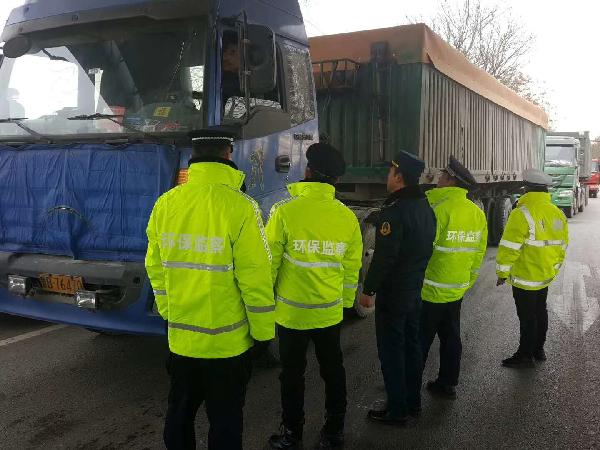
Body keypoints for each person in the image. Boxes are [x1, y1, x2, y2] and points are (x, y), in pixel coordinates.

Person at [145, 129, 275, 450]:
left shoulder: (166, 204)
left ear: (194, 157)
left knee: (179, 414)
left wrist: (169, 314)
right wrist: (263, 334)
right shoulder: (241, 207)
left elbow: (155, 267)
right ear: (228, 154)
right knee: (225, 421)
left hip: (182, 340)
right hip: (227, 347)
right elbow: (255, 277)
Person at [266, 143, 363, 449]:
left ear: (307, 172)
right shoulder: (347, 218)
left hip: (291, 315)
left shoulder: (284, 212)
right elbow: (351, 268)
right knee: (333, 371)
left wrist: (265, 304)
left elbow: (269, 264)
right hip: (329, 314)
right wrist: (344, 305)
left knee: (292, 375)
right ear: (335, 180)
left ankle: (292, 434)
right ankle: (334, 432)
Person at [359, 151, 436, 425]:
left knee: (392, 351)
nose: (387, 177)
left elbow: (384, 258)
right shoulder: (425, 208)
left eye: (390, 172)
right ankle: (413, 403)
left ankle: (397, 410)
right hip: (414, 291)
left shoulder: (394, 212)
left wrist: (368, 290)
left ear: (399, 177)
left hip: (394, 295)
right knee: (412, 347)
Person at [420, 156, 488, 400]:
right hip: (456, 289)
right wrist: (466, 282)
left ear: (451, 181)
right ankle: (447, 383)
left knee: (419, 340)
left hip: (429, 290)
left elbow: (422, 252)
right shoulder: (476, 213)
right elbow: (478, 253)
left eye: (442, 175)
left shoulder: (437, 210)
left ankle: (408, 389)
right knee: (451, 338)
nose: (439, 178)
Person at [496, 168, 568, 368]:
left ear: (526, 189)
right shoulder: (557, 213)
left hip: (524, 277)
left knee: (527, 317)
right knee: (540, 311)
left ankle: (525, 355)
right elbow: (562, 245)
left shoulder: (521, 213)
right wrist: (553, 268)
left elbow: (509, 247)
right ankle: (538, 350)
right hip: (544, 275)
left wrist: (502, 273)